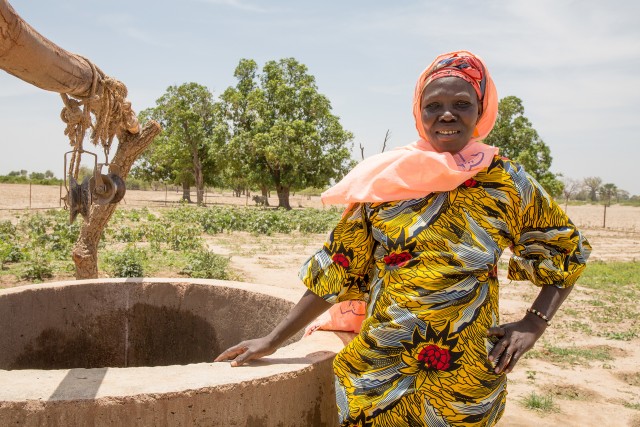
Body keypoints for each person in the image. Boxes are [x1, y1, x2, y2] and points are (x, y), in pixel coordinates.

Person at [215, 50, 591, 426]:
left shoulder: (505, 180)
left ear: (481, 110)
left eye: (462, 103)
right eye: (434, 105)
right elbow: (339, 267)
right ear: (419, 112)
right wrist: (274, 339)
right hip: (380, 368)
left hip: (465, 377)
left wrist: (534, 323)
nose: (447, 114)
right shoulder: (390, 180)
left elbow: (565, 249)